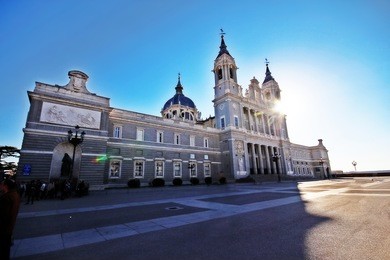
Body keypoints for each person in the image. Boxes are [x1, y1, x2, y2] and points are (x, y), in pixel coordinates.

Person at [0, 178, 21, 260]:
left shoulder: (7, 197)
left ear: (6, 186)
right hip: (8, 229)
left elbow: (3, 215)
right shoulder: (15, 195)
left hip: (3, 229)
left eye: (1, 184)